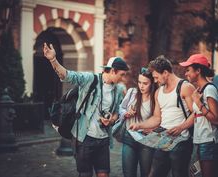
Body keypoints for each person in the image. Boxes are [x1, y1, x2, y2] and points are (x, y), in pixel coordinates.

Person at [43, 43, 129, 177]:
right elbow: (67, 75)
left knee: (104, 174)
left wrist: (110, 119)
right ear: (112, 71)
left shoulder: (118, 90)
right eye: (122, 74)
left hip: (103, 139)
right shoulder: (90, 79)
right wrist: (53, 60)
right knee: (85, 174)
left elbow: (116, 113)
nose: (122, 78)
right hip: (84, 138)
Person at [130, 55, 195, 177]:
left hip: (181, 142)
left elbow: (196, 114)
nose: (155, 81)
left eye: (156, 77)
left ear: (165, 73)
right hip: (163, 141)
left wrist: (181, 127)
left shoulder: (185, 87)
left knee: (179, 174)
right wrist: (139, 125)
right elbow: (156, 118)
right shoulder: (158, 92)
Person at [179, 54, 218, 177]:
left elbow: (216, 119)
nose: (186, 74)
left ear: (198, 70)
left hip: (208, 141)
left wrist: (198, 103)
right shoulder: (199, 90)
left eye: (188, 70)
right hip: (200, 140)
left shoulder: (209, 89)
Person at [119, 67, 157, 177]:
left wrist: (153, 129)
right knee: (128, 173)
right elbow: (121, 108)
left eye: (145, 83)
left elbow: (159, 118)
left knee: (146, 174)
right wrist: (126, 113)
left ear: (152, 83)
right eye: (139, 82)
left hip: (147, 140)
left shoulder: (155, 97)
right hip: (129, 137)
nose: (141, 86)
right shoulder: (132, 92)